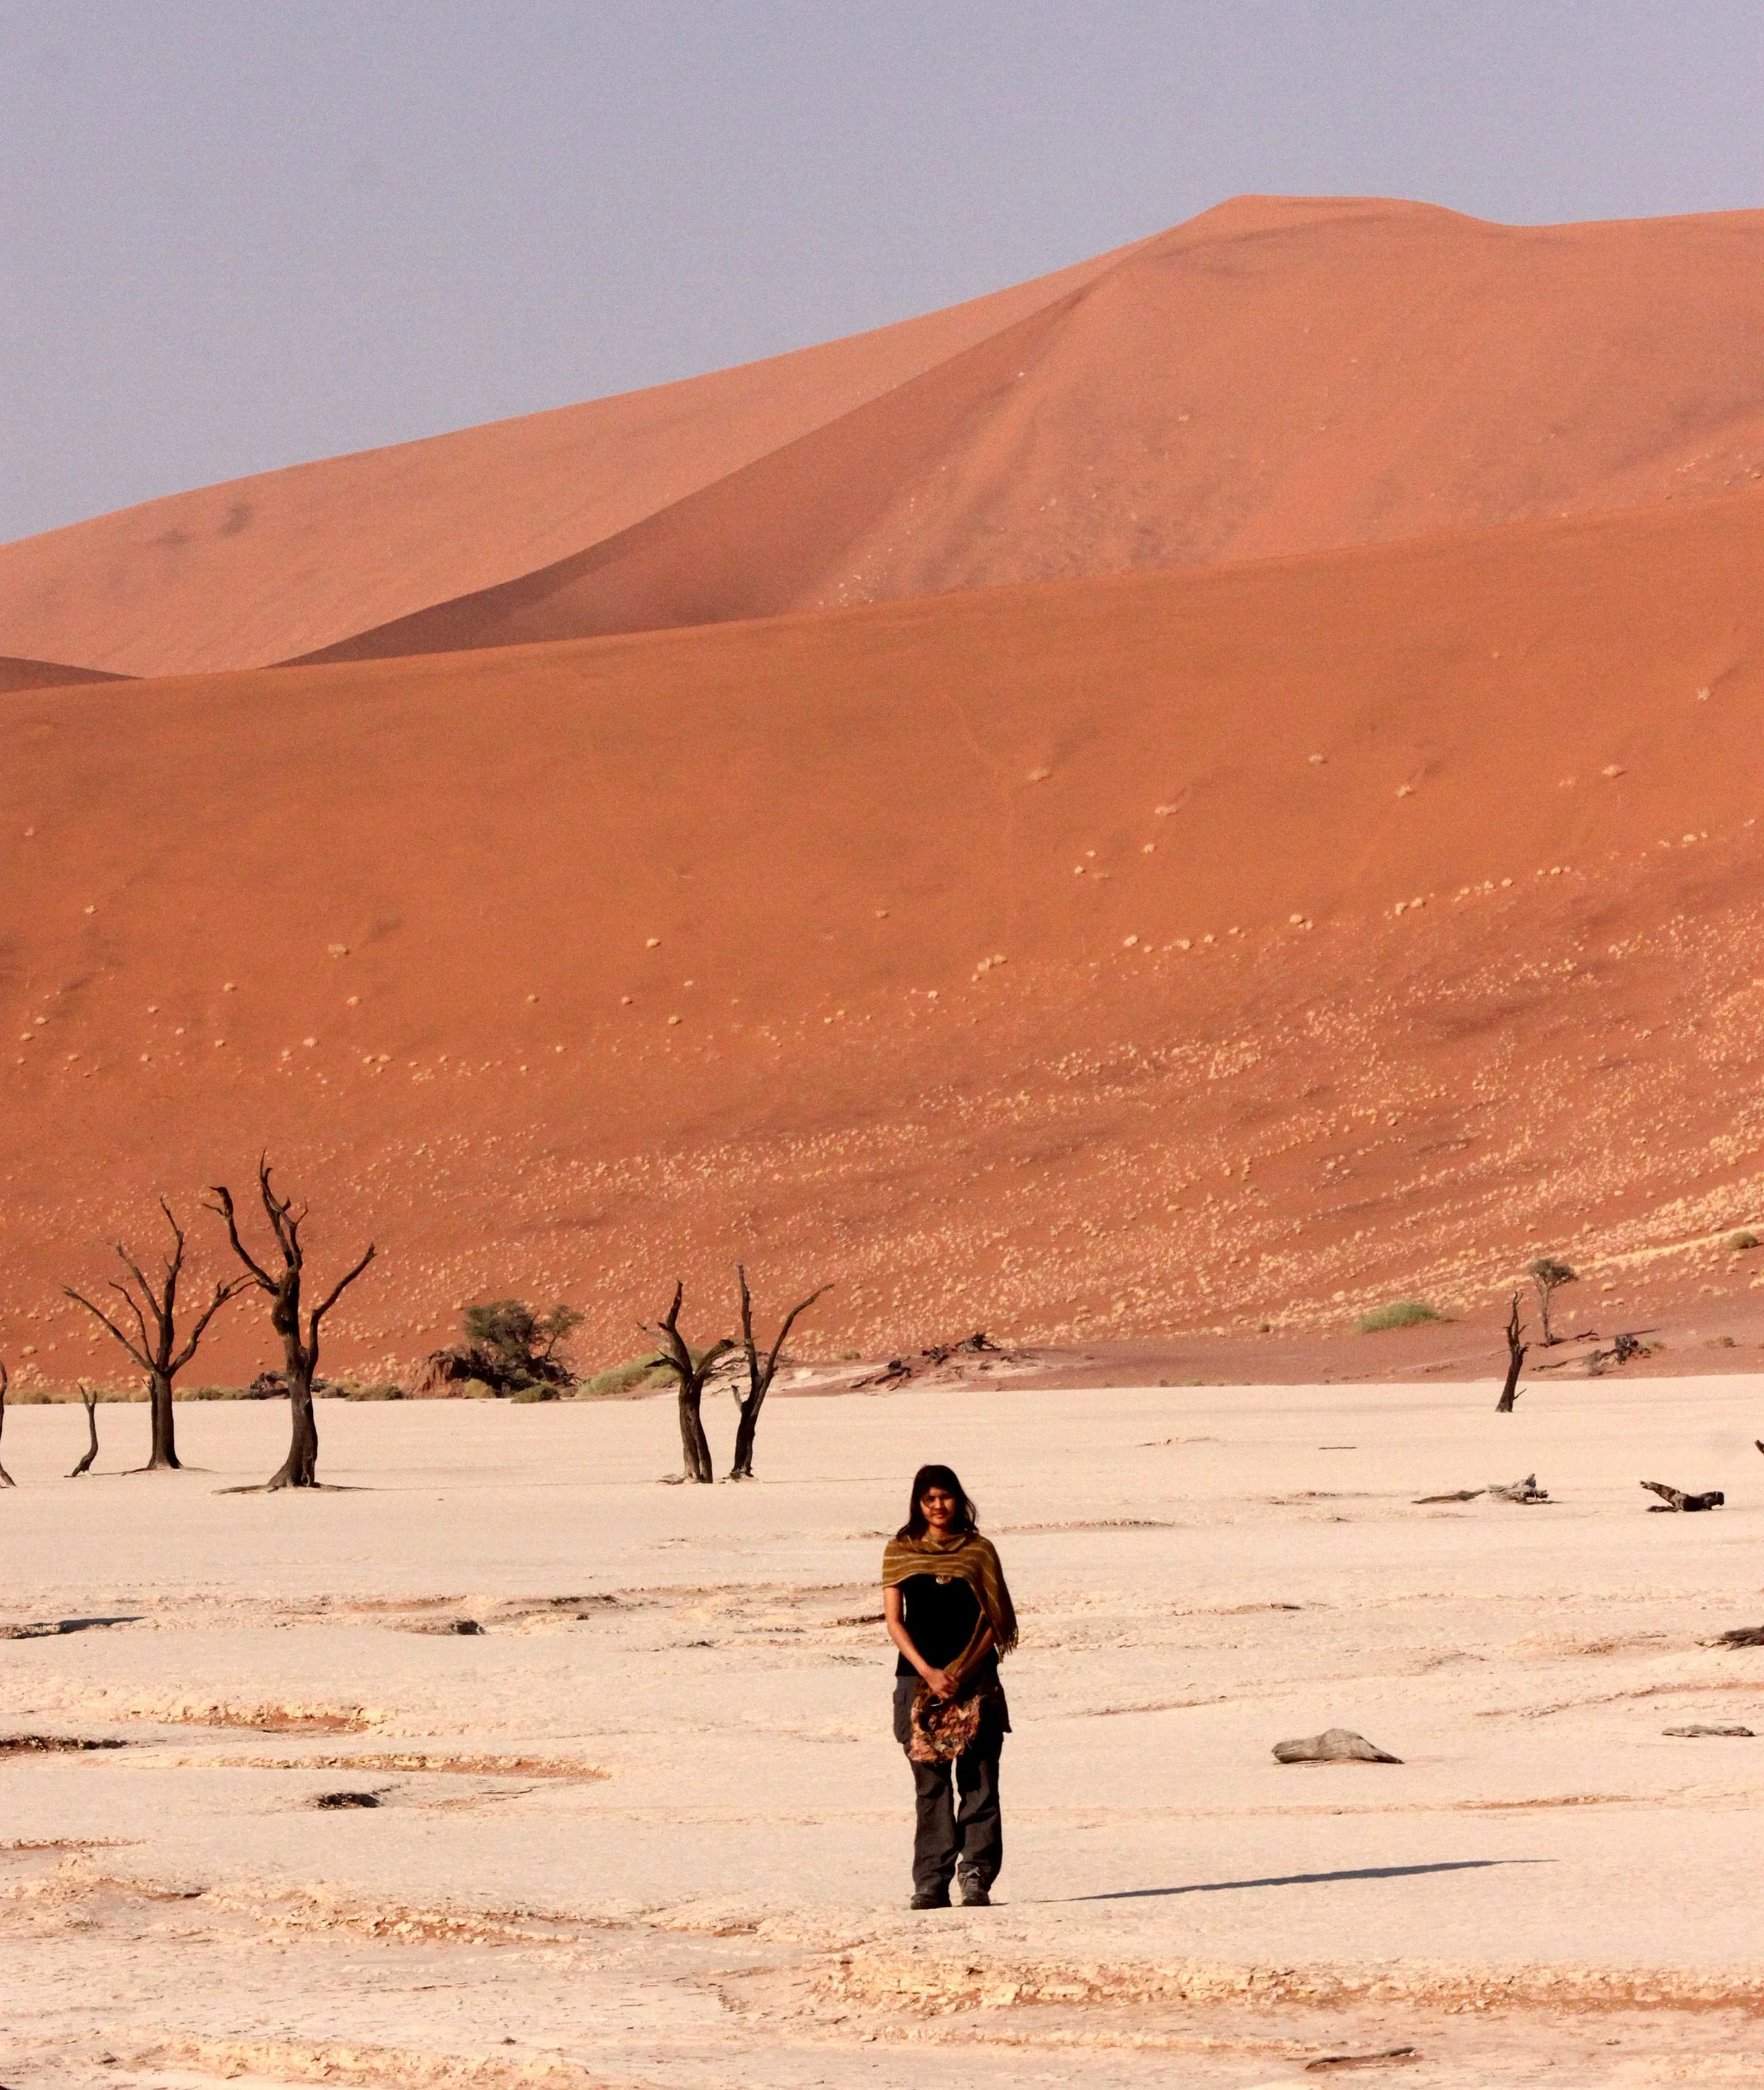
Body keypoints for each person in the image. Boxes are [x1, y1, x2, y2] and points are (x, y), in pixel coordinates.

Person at [881, 1462, 1018, 1909]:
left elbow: (996, 1618)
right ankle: (931, 1883)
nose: (938, 1506)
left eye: (945, 1496)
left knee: (979, 1782)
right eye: (929, 1499)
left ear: (959, 1499)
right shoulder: (900, 1551)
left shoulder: (979, 1551)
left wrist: (961, 1672)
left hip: (976, 1680)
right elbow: (894, 1621)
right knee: (931, 1787)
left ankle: (976, 1877)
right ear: (918, 1504)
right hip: (917, 1682)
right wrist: (929, 1672)